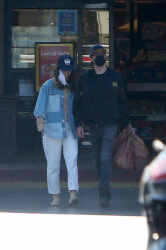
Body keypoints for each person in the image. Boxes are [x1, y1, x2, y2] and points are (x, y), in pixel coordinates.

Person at [73, 44, 134, 207]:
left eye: (103, 53)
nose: (101, 56)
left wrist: (127, 124)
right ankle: (104, 187)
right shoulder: (85, 79)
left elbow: (122, 102)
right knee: (98, 159)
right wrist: (78, 124)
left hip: (111, 124)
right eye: (97, 54)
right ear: (91, 58)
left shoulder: (115, 77)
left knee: (105, 157)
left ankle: (104, 193)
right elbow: (77, 103)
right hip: (93, 125)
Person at [34, 54, 79, 206]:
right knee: (53, 165)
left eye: (69, 70)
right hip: (51, 129)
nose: (67, 72)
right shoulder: (47, 86)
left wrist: (80, 125)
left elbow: (78, 108)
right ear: (59, 68)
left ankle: (73, 193)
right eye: (65, 69)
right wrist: (40, 121)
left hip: (69, 128)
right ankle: (56, 196)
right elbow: (40, 106)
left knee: (72, 161)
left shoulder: (73, 86)